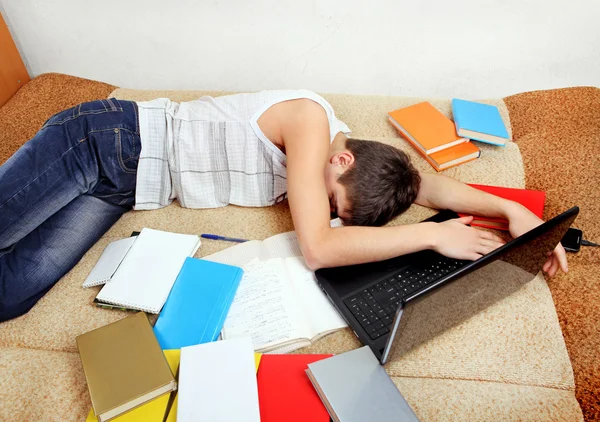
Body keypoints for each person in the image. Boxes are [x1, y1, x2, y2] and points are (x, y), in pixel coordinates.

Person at [0, 90, 567, 321]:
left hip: (124, 186)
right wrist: (432, 236)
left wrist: (511, 210)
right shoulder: (309, 121)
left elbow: (425, 188)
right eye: (327, 201)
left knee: (13, 295)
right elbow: (319, 248)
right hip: (102, 139)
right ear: (340, 163)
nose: (315, 210)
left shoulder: (354, 164)